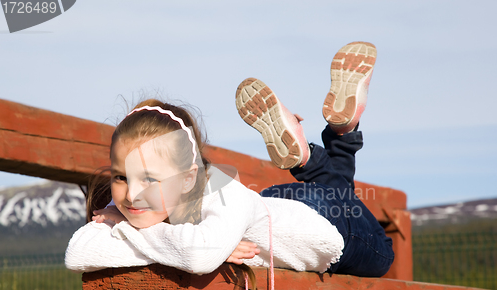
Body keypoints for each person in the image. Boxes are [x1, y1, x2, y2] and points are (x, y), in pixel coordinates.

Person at [65, 41, 393, 278]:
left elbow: (196, 255)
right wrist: (189, 246)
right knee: (338, 189)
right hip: (278, 203)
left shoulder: (222, 196)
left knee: (383, 255)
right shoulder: (145, 206)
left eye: (149, 179)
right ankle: (331, 143)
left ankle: (326, 148)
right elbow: (79, 251)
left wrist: (128, 231)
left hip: (328, 226)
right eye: (121, 177)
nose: (132, 192)